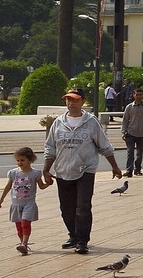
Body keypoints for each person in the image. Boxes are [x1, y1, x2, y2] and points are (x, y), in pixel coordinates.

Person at [40, 90, 123, 257]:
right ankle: (73, 235)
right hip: (63, 170)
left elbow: (104, 145)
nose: (71, 103)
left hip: (86, 169)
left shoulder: (91, 122)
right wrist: (46, 169)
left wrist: (114, 166)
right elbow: (50, 148)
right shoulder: (58, 123)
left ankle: (82, 240)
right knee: (66, 208)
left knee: (83, 206)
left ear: (82, 102)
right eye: (68, 100)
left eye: (75, 100)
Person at [0, 146, 44, 255]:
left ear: (30, 160)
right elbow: (8, 187)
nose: (19, 163)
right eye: (18, 160)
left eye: (22, 160)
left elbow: (41, 186)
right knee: (19, 226)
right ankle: (22, 243)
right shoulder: (13, 173)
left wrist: (49, 183)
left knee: (25, 223)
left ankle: (24, 243)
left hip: (29, 203)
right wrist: (1, 200)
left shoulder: (35, 173)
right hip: (16, 204)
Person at [120, 89, 143, 177]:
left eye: (140, 95)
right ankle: (129, 170)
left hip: (142, 133)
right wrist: (123, 131)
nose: (138, 96)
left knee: (139, 153)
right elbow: (125, 120)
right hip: (131, 133)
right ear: (133, 95)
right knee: (130, 152)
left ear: (142, 96)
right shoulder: (129, 107)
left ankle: (137, 170)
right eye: (137, 94)